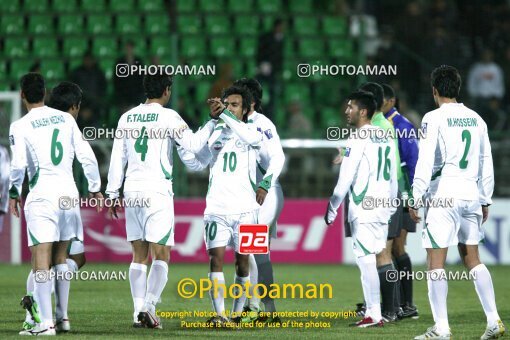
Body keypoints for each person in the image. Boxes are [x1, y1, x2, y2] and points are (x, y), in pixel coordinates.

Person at [106, 74, 218, 329]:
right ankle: (149, 306)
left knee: (138, 254)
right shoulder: (169, 117)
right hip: (156, 191)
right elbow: (191, 144)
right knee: (162, 253)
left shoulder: (127, 117)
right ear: (167, 90)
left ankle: (137, 313)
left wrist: (112, 194)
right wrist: (210, 122)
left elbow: (117, 157)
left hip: (132, 191)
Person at [411, 65, 506, 339]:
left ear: (435, 90)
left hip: (443, 196)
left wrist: (415, 197)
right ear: (459, 88)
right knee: (473, 259)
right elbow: (485, 162)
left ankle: (441, 329)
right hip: (470, 195)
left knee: (435, 263)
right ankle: (493, 320)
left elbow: (425, 161)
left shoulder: (432, 118)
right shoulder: (477, 119)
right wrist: (485, 198)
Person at [10, 73, 102, 336]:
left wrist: (14, 192)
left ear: (22, 95)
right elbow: (87, 156)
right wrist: (95, 189)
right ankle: (62, 319)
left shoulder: (20, 125)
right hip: (68, 195)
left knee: (41, 261)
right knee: (62, 257)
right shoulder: (65, 119)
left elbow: (17, 165)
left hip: (42, 197)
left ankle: (44, 324)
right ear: (45, 92)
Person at [182, 85, 262, 326]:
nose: (228, 108)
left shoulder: (253, 130)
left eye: (234, 105)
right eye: (226, 104)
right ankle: (220, 314)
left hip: (248, 210)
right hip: (216, 209)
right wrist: (181, 146)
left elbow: (251, 138)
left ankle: (237, 314)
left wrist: (224, 115)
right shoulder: (216, 132)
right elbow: (198, 161)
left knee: (244, 262)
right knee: (215, 259)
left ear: (246, 109)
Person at [325, 91, 397, 328]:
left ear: (363, 111)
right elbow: (393, 174)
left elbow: (345, 180)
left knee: (365, 261)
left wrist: (332, 207)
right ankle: (378, 312)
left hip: (364, 207)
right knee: (374, 258)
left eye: (351, 107)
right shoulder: (384, 135)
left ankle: (374, 314)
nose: (347, 111)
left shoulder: (357, 138)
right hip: (383, 205)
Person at [233, 78, 285, 323]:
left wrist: (265, 184)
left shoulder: (262, 124)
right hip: (249, 195)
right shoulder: (235, 124)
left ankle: (256, 308)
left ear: (250, 102)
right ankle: (266, 309)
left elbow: (278, 158)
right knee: (256, 253)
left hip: (267, 192)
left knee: (253, 250)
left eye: (239, 98)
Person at [357, 82, 402, 322]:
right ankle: (379, 307)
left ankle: (390, 309)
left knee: (383, 253)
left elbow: (392, 166)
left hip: (381, 195)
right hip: (381, 195)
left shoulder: (378, 126)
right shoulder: (381, 125)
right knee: (377, 254)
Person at [381, 83, 420, 319]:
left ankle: (406, 304)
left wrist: (412, 196)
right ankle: (395, 303)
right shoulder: (381, 126)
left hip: (404, 192)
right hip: (390, 193)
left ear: (391, 102)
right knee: (389, 248)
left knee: (396, 247)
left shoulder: (402, 126)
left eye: (381, 101)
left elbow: (413, 162)